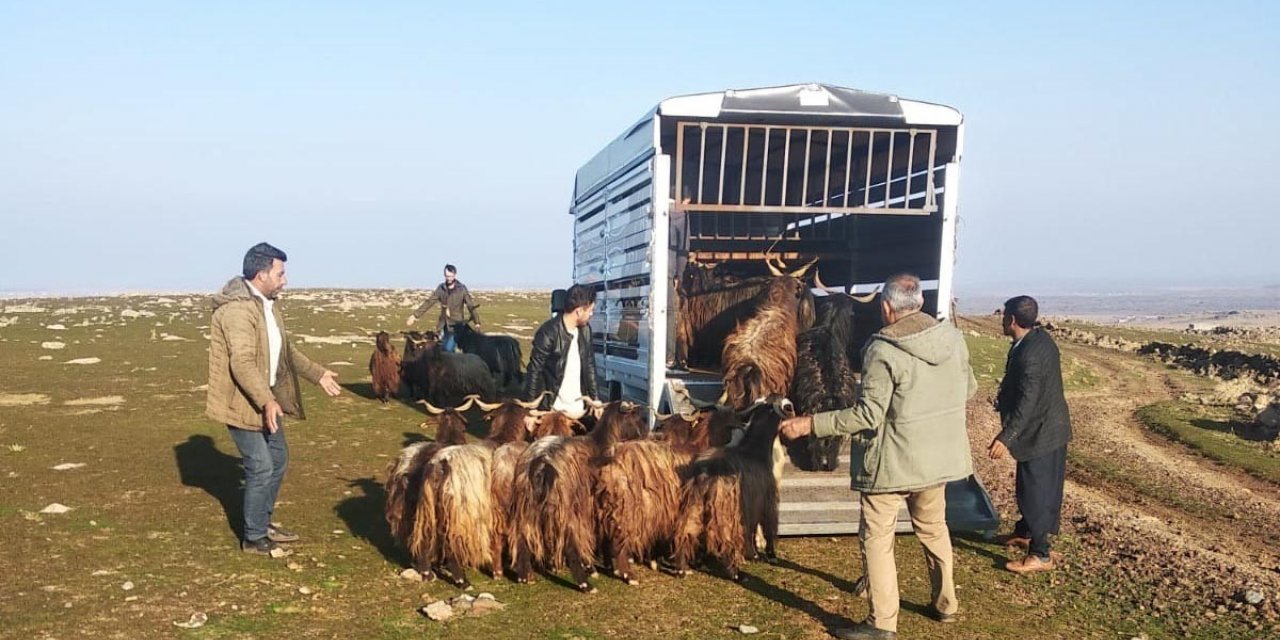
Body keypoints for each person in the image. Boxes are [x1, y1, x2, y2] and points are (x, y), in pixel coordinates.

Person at [780, 273, 977, 640]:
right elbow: (969, 388)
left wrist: (810, 424)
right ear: (917, 303)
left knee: (877, 538)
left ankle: (882, 623)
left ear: (886, 308)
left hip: (892, 463)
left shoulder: (883, 350)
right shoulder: (953, 338)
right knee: (934, 529)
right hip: (939, 461)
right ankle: (946, 604)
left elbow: (867, 415)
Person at [206, 242, 342, 556]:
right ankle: (253, 538)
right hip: (242, 403)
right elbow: (241, 362)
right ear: (262, 274)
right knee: (261, 466)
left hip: (268, 402)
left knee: (278, 460)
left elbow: (284, 352)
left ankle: (262, 522)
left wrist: (318, 374)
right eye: (280, 273)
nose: (285, 280)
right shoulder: (237, 311)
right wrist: (267, 401)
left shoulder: (268, 305)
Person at [988, 295, 1072, 574]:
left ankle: (1041, 554)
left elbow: (1029, 402)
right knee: (1041, 488)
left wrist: (1005, 437)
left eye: (1003, 316)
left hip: (1041, 432)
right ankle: (1025, 533)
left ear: (1012, 320)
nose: (1001, 320)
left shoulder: (1031, 354)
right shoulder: (1039, 340)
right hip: (1051, 426)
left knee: (1035, 492)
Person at [524, 283, 599, 415]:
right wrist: (531, 409)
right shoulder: (548, 332)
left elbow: (589, 366)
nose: (591, 314)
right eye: (590, 310)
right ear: (579, 311)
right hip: (553, 411)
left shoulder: (586, 331)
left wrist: (595, 400)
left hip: (579, 411)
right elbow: (534, 370)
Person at [405, 264, 480, 352]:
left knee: (447, 349)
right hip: (443, 325)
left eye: (450, 276)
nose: (448, 278)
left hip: (456, 326)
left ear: (455, 275)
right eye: (446, 276)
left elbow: (470, 306)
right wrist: (414, 316)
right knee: (438, 350)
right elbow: (429, 302)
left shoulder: (462, 289)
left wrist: (477, 322)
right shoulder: (441, 288)